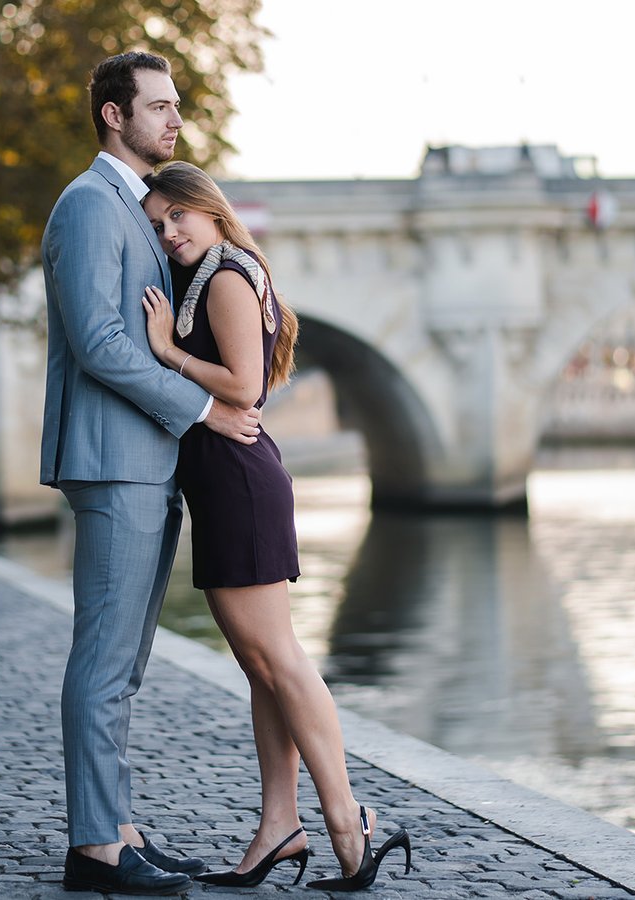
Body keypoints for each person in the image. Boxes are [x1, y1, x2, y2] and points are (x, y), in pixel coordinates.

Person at [139, 161, 414, 891]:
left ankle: (347, 821)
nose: (169, 234)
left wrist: (167, 352)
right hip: (229, 483)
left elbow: (243, 385)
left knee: (281, 661)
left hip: (238, 484)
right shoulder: (216, 273)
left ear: (209, 208)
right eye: (158, 226)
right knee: (264, 666)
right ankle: (279, 827)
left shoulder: (227, 275)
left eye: (177, 216)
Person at [39, 52, 264, 896]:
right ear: (113, 114)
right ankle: (96, 848)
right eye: (160, 106)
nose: (175, 119)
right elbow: (99, 342)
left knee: (125, 665)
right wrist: (203, 408)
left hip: (145, 461)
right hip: (114, 461)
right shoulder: (89, 204)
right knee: (103, 661)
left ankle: (118, 827)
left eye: (175, 106)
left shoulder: (138, 209)